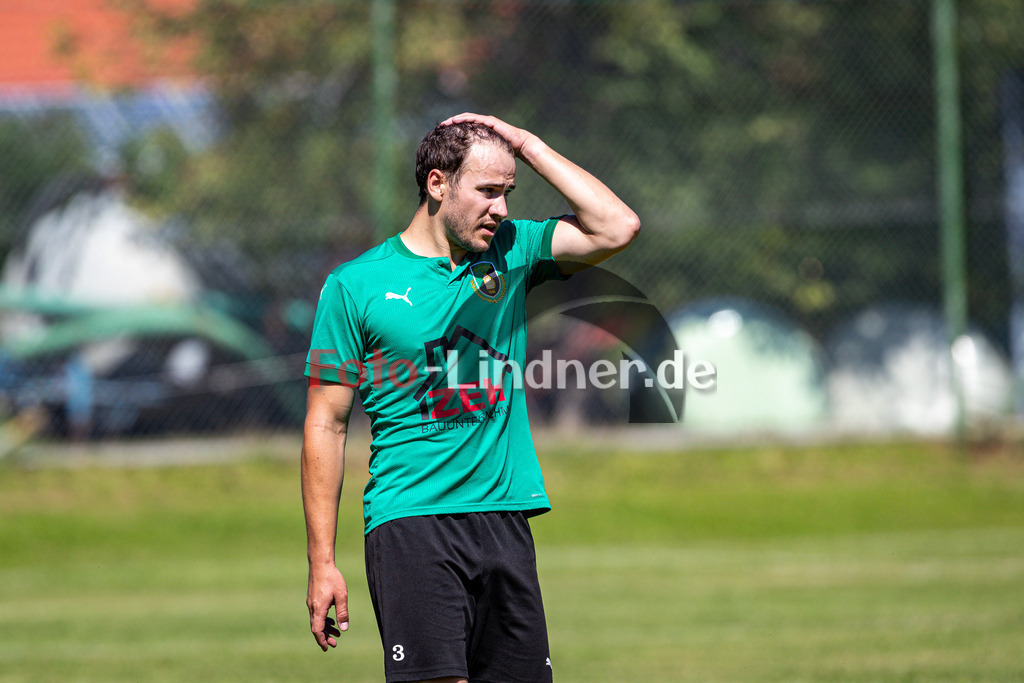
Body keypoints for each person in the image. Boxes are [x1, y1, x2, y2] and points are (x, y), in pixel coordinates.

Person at [301, 113, 640, 683]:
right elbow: (326, 425)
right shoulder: (354, 285)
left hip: (505, 519)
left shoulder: (513, 250)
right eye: (487, 191)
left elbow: (617, 227)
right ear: (437, 184)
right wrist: (323, 562)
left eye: (508, 192)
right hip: (412, 523)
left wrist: (527, 145)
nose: (501, 209)